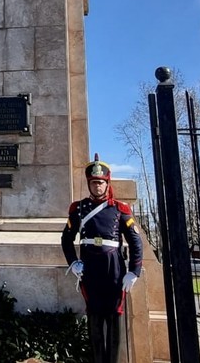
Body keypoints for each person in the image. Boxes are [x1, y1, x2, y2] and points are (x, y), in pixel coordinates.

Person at [61, 155, 144, 363]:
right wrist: (73, 262)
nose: (97, 186)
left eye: (101, 183)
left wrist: (134, 272)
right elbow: (66, 239)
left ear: (107, 184)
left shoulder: (120, 209)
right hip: (90, 270)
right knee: (95, 323)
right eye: (94, 183)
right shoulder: (78, 209)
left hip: (114, 270)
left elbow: (135, 242)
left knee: (115, 322)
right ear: (89, 184)